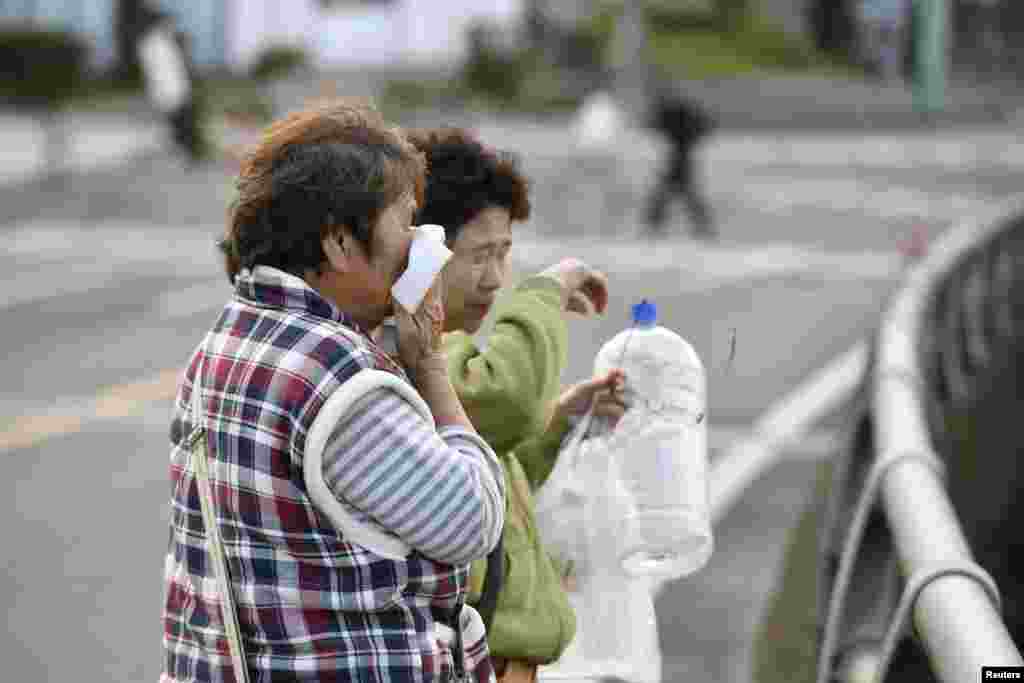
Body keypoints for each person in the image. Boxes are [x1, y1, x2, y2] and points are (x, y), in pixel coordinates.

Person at [163, 102, 505, 683]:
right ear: (339, 243)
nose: (423, 242)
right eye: (405, 220)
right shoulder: (336, 377)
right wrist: (430, 369)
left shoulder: (229, 339)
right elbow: (472, 522)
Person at [405, 127, 627, 683]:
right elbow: (502, 399)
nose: (497, 278)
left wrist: (559, 423)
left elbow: (479, 475)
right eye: (481, 255)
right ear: (421, 248)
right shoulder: (415, 356)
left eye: (505, 254)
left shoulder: (444, 352)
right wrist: (545, 292)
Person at [642, 84, 717, 240]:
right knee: (682, 194)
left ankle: (654, 224)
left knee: (671, 194)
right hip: (681, 159)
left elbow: (655, 125)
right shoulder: (682, 115)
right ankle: (702, 226)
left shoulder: (677, 115)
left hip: (679, 159)